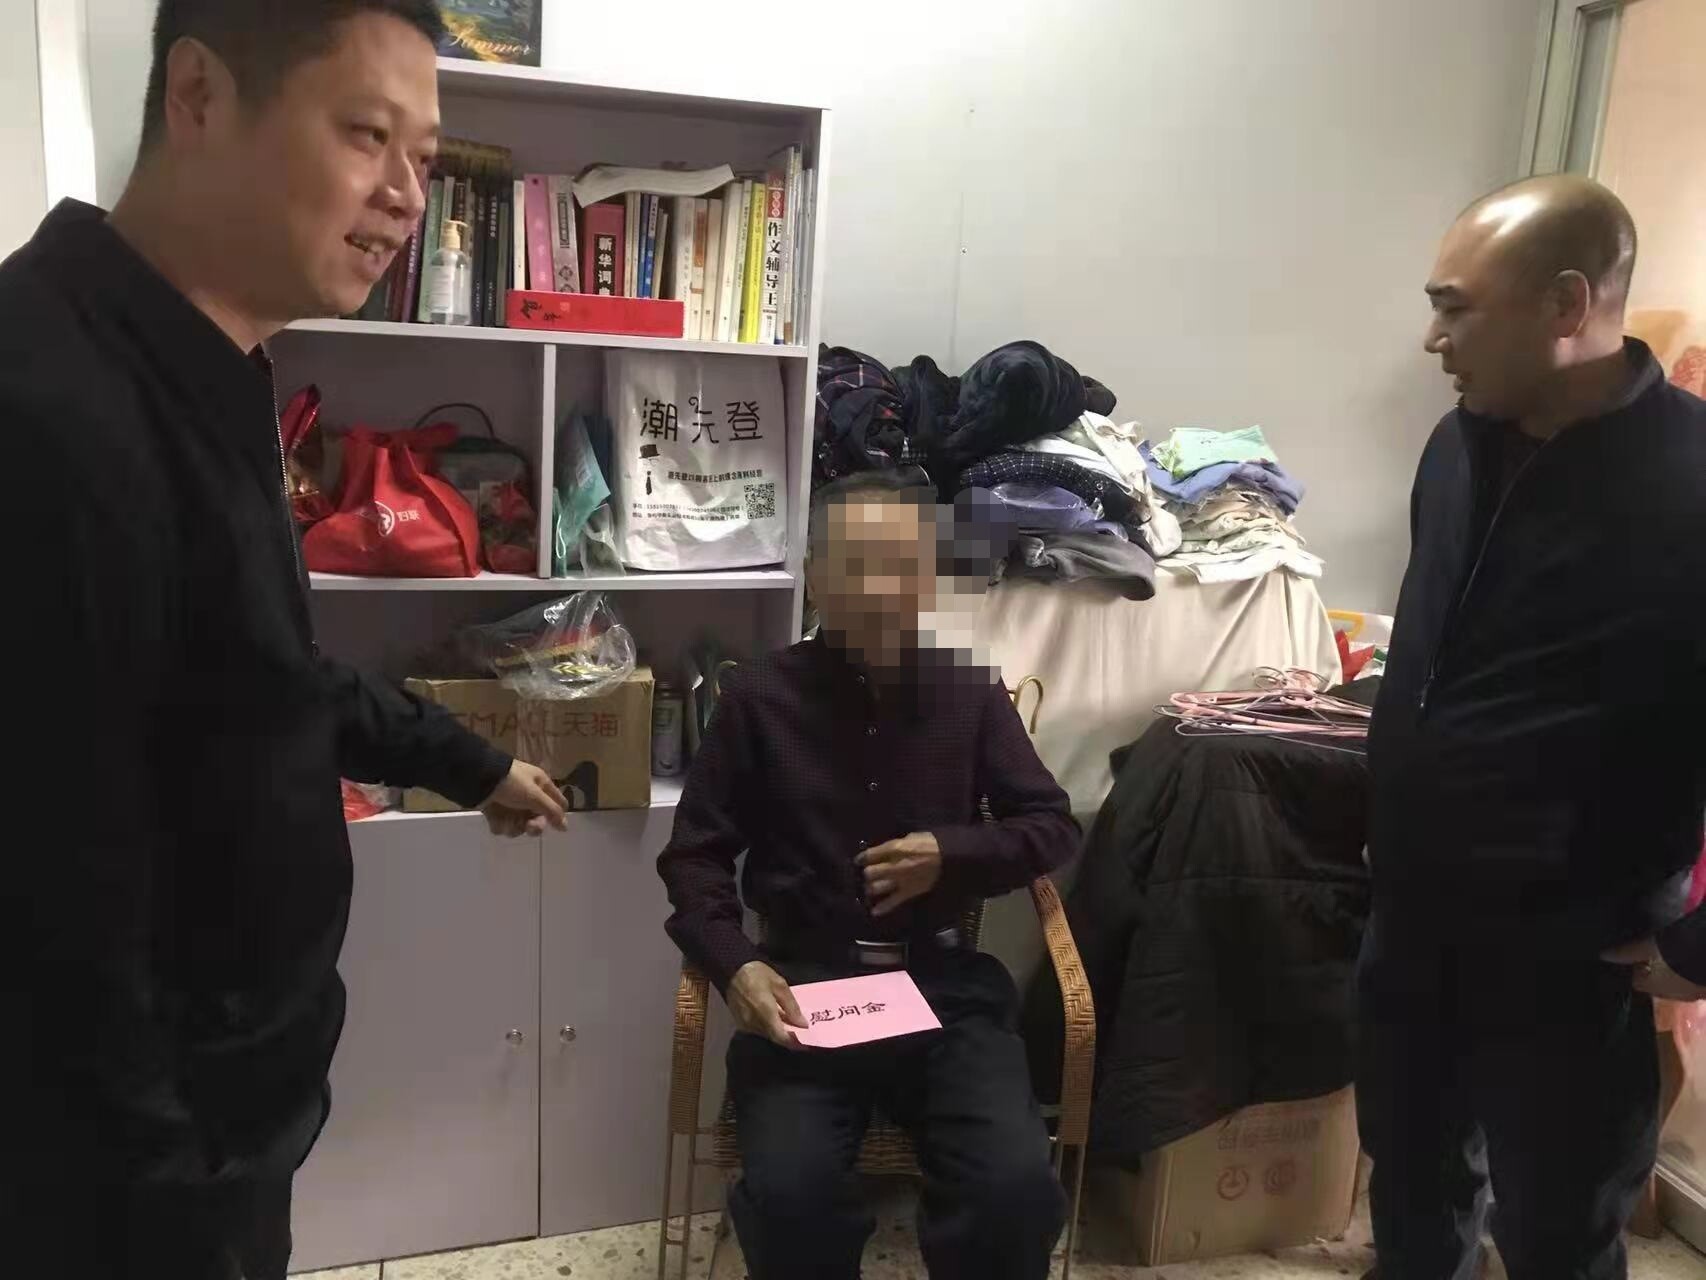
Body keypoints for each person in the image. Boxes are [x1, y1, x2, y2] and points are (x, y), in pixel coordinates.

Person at [0, 3, 569, 1276]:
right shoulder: (46, 409)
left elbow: (253, 673)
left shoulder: (205, 360)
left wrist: (468, 760)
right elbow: (53, 915)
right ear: (198, 96)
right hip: (134, 1192)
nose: (407, 195)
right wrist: (182, 1217)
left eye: (424, 156)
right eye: (367, 134)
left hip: (229, 1124)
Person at [1362, 174, 1706, 1280]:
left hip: (1573, 956)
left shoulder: (1694, 482)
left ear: (1566, 305)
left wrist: (1699, 946)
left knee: (1556, 1233)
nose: (1432, 339)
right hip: (1411, 922)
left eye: (1454, 308)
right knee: (1411, 1198)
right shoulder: (1455, 442)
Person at [657, 469, 1077, 1280]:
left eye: (901, 564)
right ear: (816, 576)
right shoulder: (759, 700)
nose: (880, 589)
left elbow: (1050, 826)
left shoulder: (969, 690)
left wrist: (952, 852)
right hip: (808, 987)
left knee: (1015, 1191)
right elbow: (694, 856)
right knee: (791, 1197)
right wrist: (735, 965)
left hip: (944, 988)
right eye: (855, 565)